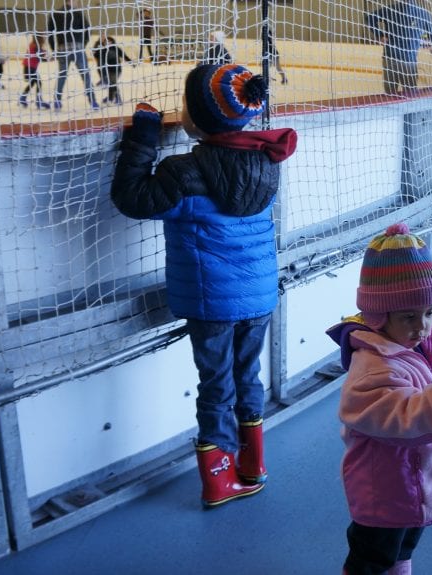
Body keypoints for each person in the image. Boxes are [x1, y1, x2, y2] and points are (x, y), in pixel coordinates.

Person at [111, 63, 298, 508]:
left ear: (195, 119)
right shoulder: (266, 162)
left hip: (212, 303)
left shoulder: (182, 172)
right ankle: (253, 465)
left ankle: (219, 482)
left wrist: (143, 138)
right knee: (246, 375)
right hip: (257, 298)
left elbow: (132, 198)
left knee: (217, 386)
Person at [326, 222, 432, 575]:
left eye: (429, 313)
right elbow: (398, 414)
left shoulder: (416, 343)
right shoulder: (372, 368)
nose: (422, 326)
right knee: (371, 560)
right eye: (409, 316)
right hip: (384, 494)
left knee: (404, 547)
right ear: (378, 316)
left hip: (414, 488)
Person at [366, 0, 432, 95]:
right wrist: (380, 35)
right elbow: (370, 18)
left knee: (408, 95)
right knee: (391, 96)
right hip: (391, 60)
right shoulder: (390, 10)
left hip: (408, 64)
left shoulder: (422, 14)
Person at [47, 0, 98, 110]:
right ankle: (93, 101)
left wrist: (53, 48)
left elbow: (50, 33)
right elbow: (88, 29)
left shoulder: (55, 14)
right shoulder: (78, 13)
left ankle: (57, 101)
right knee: (86, 76)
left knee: (62, 76)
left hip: (62, 48)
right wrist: (83, 44)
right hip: (77, 48)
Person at [96, 35, 132, 105]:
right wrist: (98, 43)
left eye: (109, 41)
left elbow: (123, 55)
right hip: (108, 70)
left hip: (116, 70)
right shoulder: (103, 50)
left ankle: (116, 98)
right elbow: (97, 56)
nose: (108, 43)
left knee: (112, 84)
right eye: (106, 41)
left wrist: (130, 62)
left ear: (112, 42)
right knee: (111, 84)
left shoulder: (116, 49)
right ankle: (112, 98)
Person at [19, 35, 51, 109]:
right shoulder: (35, 47)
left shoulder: (34, 45)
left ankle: (23, 98)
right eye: (43, 38)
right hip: (29, 68)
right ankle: (38, 101)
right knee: (38, 83)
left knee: (33, 83)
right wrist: (50, 58)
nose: (44, 39)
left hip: (29, 68)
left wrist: (45, 53)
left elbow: (40, 54)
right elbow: (41, 57)